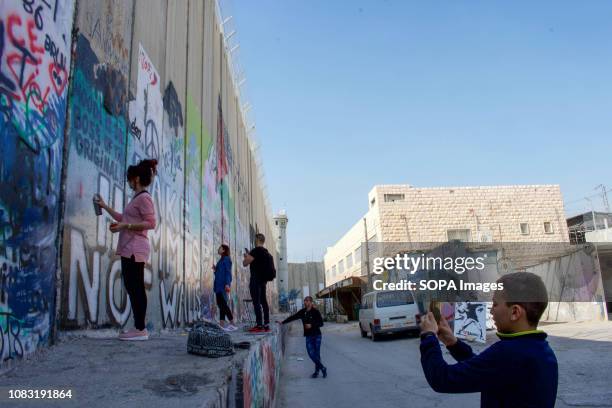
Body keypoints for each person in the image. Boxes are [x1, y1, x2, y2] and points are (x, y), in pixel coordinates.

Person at [419, 272, 558, 407]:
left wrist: (428, 336)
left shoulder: (509, 353)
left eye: (495, 304)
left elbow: (442, 379)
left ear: (515, 312)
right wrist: (453, 343)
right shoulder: (540, 349)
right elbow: (486, 369)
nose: (491, 311)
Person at [95, 159, 158, 341]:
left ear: (136, 178)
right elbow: (123, 217)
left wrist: (126, 225)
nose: (128, 182)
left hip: (135, 247)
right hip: (129, 246)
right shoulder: (137, 199)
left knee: (135, 286)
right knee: (132, 286)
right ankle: (139, 328)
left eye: (130, 179)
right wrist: (105, 207)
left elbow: (151, 223)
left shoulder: (144, 198)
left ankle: (140, 329)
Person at [279, 296, 327, 378]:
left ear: (311, 302)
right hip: (308, 336)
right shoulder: (303, 312)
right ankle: (322, 367)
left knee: (317, 354)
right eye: (305, 301)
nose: (306, 302)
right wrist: (282, 322)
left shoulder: (316, 312)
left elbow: (321, 323)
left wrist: (311, 325)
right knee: (310, 353)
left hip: (317, 335)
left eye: (308, 301)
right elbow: (293, 317)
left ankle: (316, 371)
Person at [243, 233, 271, 332]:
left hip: (255, 280)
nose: (254, 241)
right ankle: (266, 324)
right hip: (263, 281)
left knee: (256, 302)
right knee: (264, 302)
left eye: (255, 239)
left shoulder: (255, 251)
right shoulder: (266, 252)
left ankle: (259, 325)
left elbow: (245, 263)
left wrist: (246, 256)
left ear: (257, 240)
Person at [213, 244, 237, 331]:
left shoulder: (226, 259)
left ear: (223, 250)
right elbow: (219, 274)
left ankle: (232, 322)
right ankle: (222, 323)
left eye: (220, 248)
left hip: (223, 286)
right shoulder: (221, 260)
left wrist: (227, 284)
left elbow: (228, 272)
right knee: (221, 305)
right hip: (218, 286)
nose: (218, 249)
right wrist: (215, 270)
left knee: (223, 304)